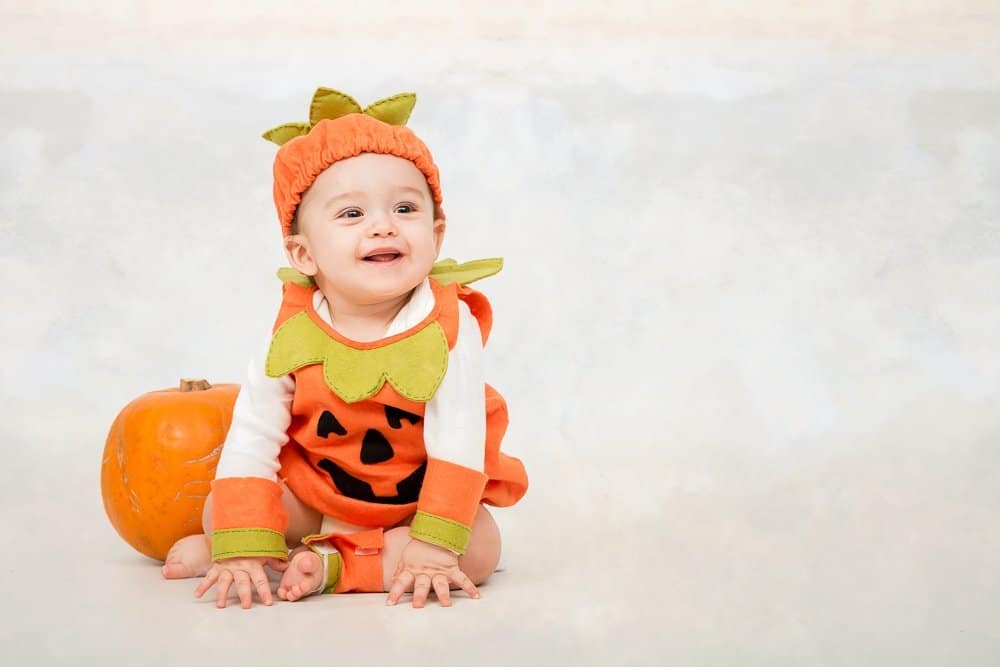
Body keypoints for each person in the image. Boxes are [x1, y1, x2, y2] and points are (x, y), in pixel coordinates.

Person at [161, 87, 528, 609]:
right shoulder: (294, 329)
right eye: (351, 214)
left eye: (405, 207)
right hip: (315, 492)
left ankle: (336, 566)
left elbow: (459, 435)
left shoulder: (448, 324)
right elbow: (254, 431)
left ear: (437, 234)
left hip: (411, 504)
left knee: (479, 548)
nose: (383, 225)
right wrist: (241, 535)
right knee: (224, 508)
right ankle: (248, 556)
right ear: (303, 253)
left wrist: (431, 548)